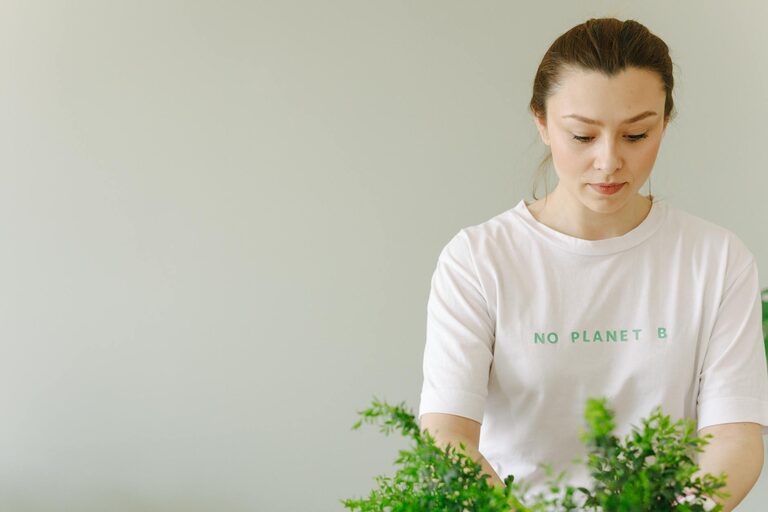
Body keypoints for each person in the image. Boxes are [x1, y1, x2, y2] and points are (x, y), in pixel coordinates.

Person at [417, 17, 768, 510]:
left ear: (664, 122)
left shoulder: (716, 259)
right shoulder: (478, 260)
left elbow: (735, 438)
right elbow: (447, 433)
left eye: (636, 134)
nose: (608, 161)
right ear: (541, 122)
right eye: (583, 137)